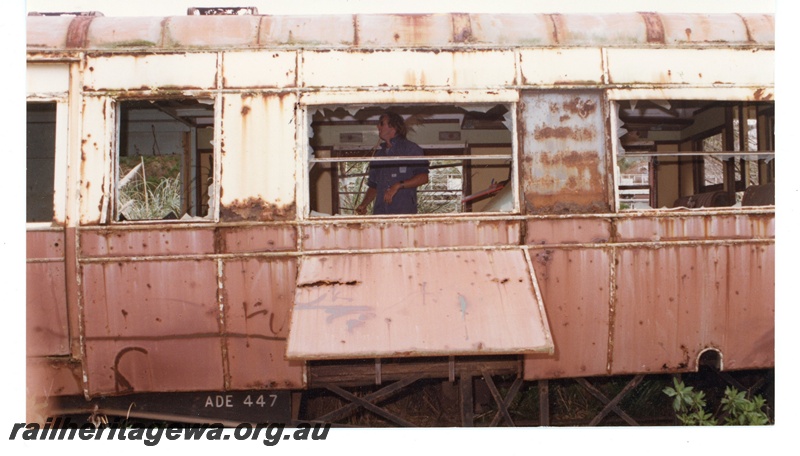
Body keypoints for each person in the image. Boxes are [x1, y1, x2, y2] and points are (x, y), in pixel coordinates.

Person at [356, 111, 429, 215]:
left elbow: (423, 177)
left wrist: (398, 185)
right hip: (380, 214)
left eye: (381, 123)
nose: (378, 127)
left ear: (393, 126)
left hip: (403, 214)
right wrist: (364, 204)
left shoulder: (411, 149)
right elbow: (373, 186)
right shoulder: (379, 155)